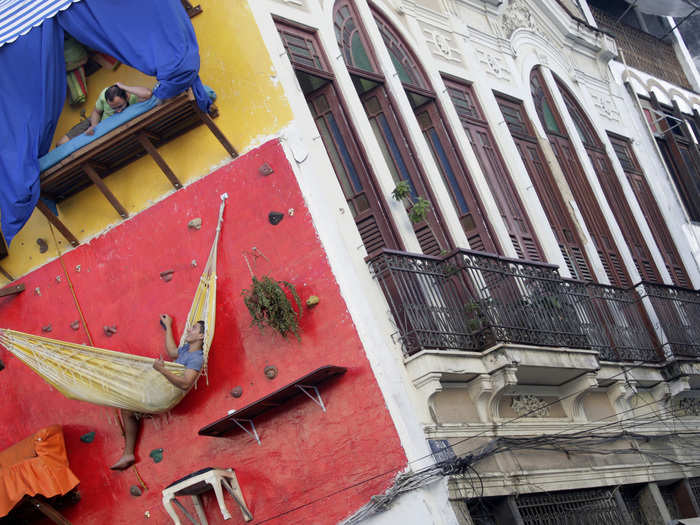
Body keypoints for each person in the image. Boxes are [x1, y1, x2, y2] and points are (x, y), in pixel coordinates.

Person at [110, 314, 204, 470]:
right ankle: (130, 447)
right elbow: (173, 352)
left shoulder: (196, 358)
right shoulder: (187, 349)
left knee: (126, 407)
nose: (189, 329)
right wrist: (168, 326)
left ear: (201, 336)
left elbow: (186, 383)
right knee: (127, 392)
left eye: (194, 328)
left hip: (165, 397)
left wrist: (162, 370)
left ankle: (128, 453)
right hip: (160, 389)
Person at [56, 82, 153, 146]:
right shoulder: (103, 95)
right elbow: (96, 112)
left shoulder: (131, 97)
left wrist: (123, 87)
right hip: (95, 121)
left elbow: (148, 93)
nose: (118, 111)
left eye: (120, 106)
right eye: (113, 108)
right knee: (60, 144)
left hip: (105, 127)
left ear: (126, 97)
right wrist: (94, 126)